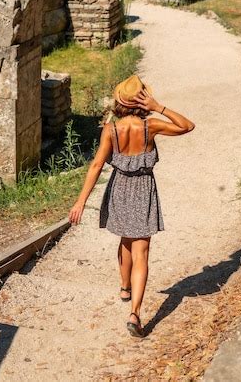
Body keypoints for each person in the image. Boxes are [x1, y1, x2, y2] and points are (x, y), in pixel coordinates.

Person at [69, 75, 195, 337]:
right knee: (141, 252)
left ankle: (124, 286)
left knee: (126, 240)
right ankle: (135, 313)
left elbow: (95, 166)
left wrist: (81, 201)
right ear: (142, 100)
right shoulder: (151, 127)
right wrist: (158, 107)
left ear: (119, 101)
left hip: (120, 188)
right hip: (143, 189)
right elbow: (187, 126)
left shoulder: (111, 130)